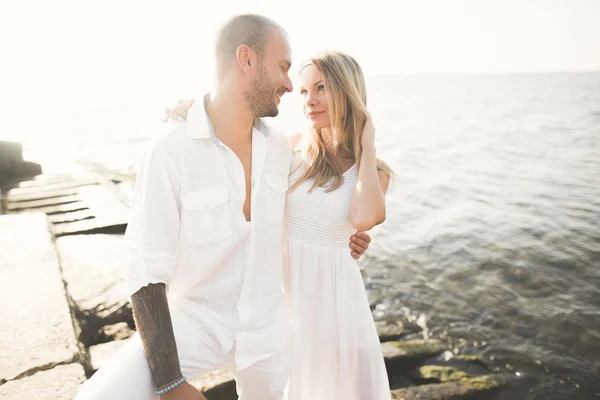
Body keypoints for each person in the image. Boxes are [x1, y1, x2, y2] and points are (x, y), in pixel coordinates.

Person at [74, 14, 371, 400]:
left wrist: (350, 236)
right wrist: (169, 383)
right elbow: (145, 270)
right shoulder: (170, 149)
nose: (288, 83)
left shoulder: (282, 147)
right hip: (197, 320)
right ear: (246, 59)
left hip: (268, 331)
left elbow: (327, 190)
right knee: (99, 397)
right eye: (283, 67)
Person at [168, 52, 392, 399]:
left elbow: (364, 219)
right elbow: (233, 162)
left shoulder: (375, 172)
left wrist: (367, 145)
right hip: (282, 294)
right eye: (302, 92)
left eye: (321, 88)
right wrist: (200, 118)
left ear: (348, 92)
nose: (309, 100)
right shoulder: (289, 149)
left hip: (336, 300)